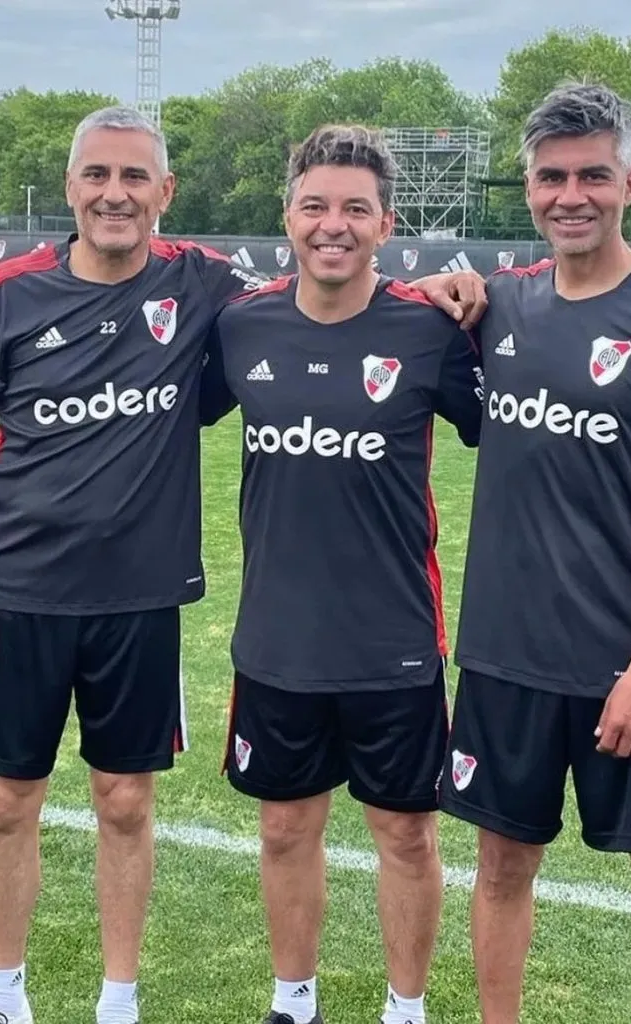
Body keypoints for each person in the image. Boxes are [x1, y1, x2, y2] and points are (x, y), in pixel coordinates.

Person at [0, 106, 485, 1024]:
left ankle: (124, 1000)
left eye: (134, 177)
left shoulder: (208, 289)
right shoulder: (17, 295)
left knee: (127, 804)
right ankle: (4, 996)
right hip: (17, 593)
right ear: (71, 187)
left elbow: (351, 295)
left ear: (165, 192)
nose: (115, 194)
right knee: (5, 805)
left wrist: (452, 286)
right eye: (97, 177)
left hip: (147, 602)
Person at [437, 82, 631, 1024]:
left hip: (626, 667)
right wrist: (444, 287)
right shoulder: (502, 305)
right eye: (551, 177)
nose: (572, 196)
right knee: (501, 864)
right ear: (528, 189)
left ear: (628, 182)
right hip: (504, 658)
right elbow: (390, 305)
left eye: (592, 176)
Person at [200, 124, 484, 1024]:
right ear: (287, 216)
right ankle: (295, 1003)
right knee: (285, 827)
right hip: (275, 640)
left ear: (385, 223)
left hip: (392, 640)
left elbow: (508, 424)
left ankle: (406, 1010)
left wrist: (474, 290)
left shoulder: (430, 329)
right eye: (315, 205)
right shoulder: (240, 326)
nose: (333, 224)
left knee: (405, 833)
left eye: (354, 208)